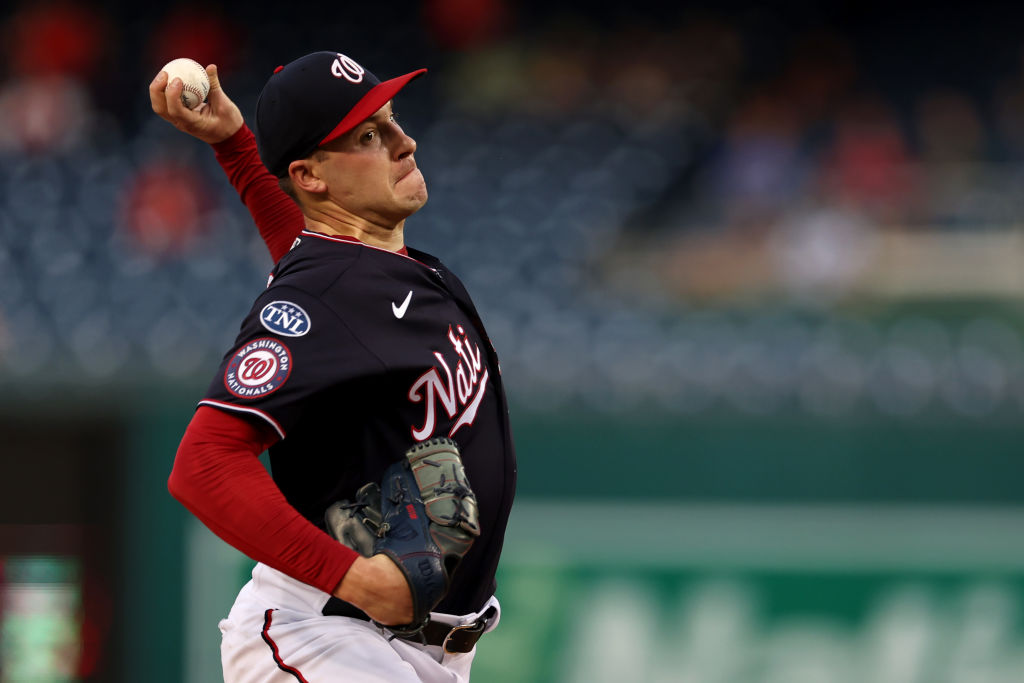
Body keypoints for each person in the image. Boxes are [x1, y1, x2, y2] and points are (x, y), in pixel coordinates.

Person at [150, 51, 517, 682]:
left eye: (391, 119)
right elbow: (204, 463)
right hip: (330, 631)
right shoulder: (323, 293)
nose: (404, 143)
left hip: (422, 647)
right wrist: (353, 577)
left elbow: (312, 253)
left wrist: (236, 146)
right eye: (369, 136)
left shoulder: (363, 270)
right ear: (309, 175)